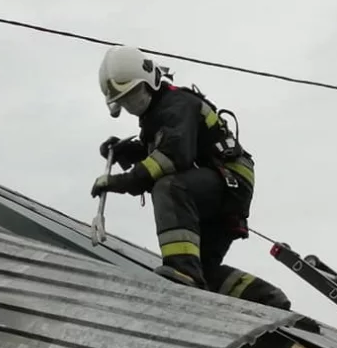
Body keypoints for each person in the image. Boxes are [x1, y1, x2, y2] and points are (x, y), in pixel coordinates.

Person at [90, 45, 255, 290]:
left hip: (230, 179)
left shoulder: (177, 105)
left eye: (133, 95)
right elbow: (165, 150)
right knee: (205, 272)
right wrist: (128, 152)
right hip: (217, 188)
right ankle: (266, 297)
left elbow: (172, 157)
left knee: (169, 186)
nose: (131, 104)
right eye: (124, 102)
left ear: (149, 81)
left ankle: (181, 270)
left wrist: (121, 182)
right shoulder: (157, 117)